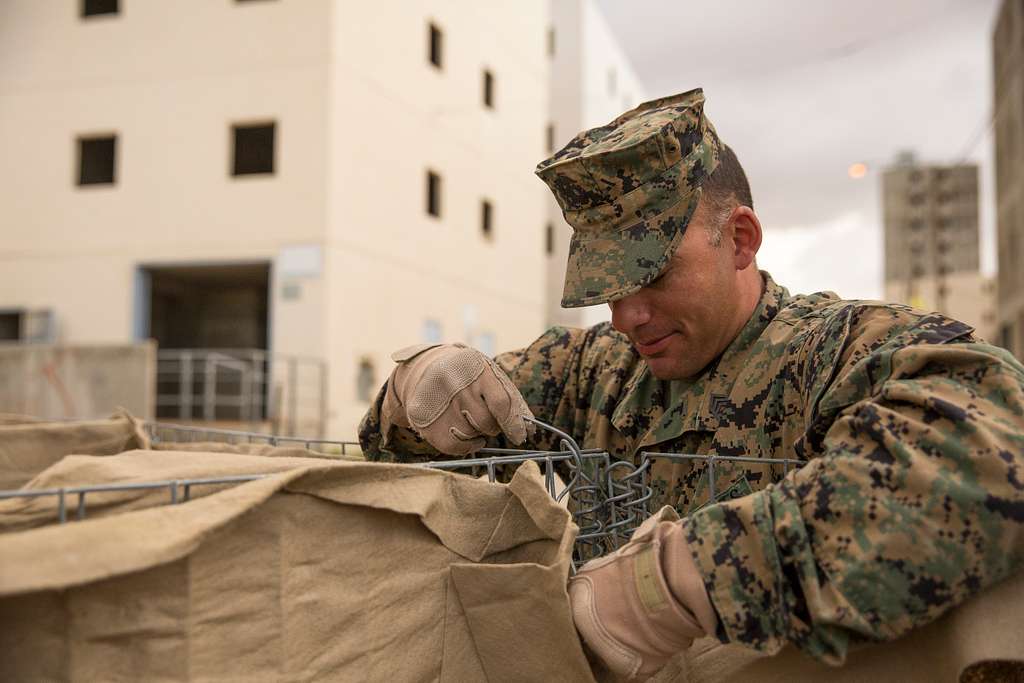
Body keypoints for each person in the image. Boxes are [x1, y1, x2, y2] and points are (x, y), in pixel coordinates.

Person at [358, 89, 1024, 679]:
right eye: (607, 289)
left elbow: (990, 458)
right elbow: (392, 457)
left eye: (651, 276)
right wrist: (414, 394)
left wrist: (680, 584)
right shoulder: (599, 370)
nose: (626, 315)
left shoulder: (836, 354)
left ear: (739, 239)